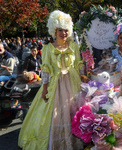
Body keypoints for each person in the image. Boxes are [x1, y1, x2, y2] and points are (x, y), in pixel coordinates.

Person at [18, 10, 83, 150]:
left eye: (66, 30)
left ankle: (75, 140)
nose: (63, 33)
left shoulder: (74, 46)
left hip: (72, 82)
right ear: (54, 30)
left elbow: (78, 65)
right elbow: (46, 70)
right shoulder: (47, 48)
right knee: (53, 114)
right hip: (55, 84)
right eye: (60, 30)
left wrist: (83, 79)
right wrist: (45, 88)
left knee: (72, 110)